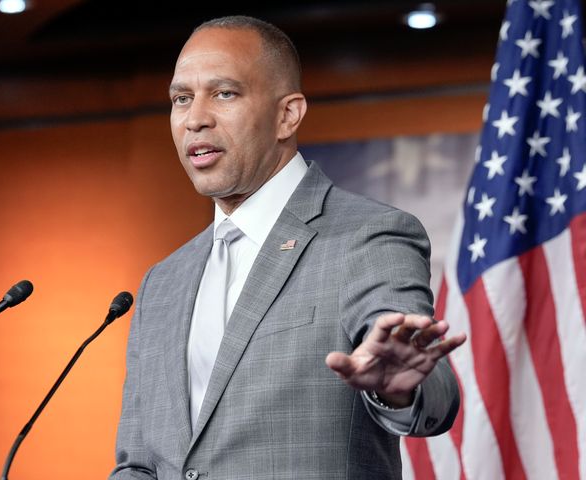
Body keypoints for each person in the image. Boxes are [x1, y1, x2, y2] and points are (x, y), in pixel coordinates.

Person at [112, 15, 466, 479]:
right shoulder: (163, 281)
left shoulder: (367, 236)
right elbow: (137, 462)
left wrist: (396, 388)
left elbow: (427, 383)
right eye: (181, 99)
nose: (195, 118)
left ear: (287, 115)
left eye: (224, 93)